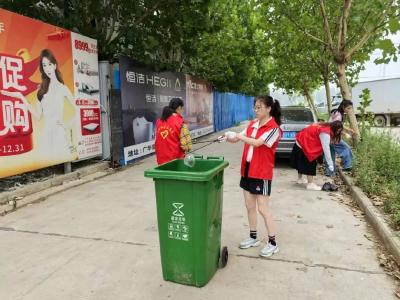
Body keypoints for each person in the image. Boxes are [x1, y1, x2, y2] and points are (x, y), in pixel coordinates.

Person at [224, 95, 282, 258]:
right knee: (249, 206)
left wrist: (239, 136)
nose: (256, 110)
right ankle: (253, 237)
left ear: (269, 108)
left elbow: (257, 143)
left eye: (259, 107)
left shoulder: (274, 129)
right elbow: (237, 139)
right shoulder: (252, 124)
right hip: (247, 170)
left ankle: (272, 243)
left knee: (263, 209)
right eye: (255, 107)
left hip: (261, 172)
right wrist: (228, 137)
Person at [1, 49, 77, 159]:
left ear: (55, 66)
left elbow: (78, 108)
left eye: (50, 64)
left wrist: (68, 125)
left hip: (59, 133)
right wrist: (22, 97)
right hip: (46, 134)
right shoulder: (42, 90)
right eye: (44, 65)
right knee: (47, 159)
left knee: (60, 157)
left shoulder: (63, 88)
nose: (47, 68)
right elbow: (37, 115)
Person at [291, 121, 343, 190]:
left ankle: (300, 179)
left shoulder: (324, 125)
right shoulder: (325, 133)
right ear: (334, 128)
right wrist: (330, 163)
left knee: (301, 162)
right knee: (310, 163)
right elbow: (326, 149)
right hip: (304, 144)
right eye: (338, 131)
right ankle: (310, 184)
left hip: (300, 141)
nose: (338, 133)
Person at [155, 98, 192, 165]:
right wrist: (188, 146)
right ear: (179, 107)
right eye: (182, 108)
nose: (182, 111)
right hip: (175, 160)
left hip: (161, 160)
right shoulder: (180, 122)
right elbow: (187, 146)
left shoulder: (159, 121)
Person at [325, 100, 354, 175]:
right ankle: (347, 166)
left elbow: (337, 125)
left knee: (331, 154)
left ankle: (329, 173)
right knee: (346, 148)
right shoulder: (339, 115)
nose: (349, 110)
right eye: (348, 108)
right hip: (333, 136)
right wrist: (345, 133)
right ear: (343, 107)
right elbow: (335, 127)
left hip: (327, 136)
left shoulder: (336, 112)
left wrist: (348, 130)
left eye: (351, 108)